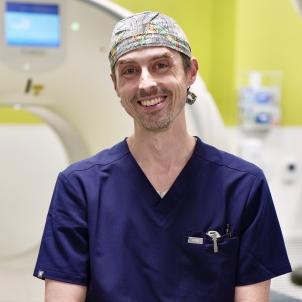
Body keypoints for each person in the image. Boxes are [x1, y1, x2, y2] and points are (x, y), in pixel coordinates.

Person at [34, 11, 291, 302]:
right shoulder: (79, 187)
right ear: (116, 84)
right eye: (129, 71)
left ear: (190, 72)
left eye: (161, 65)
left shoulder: (243, 186)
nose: (146, 84)